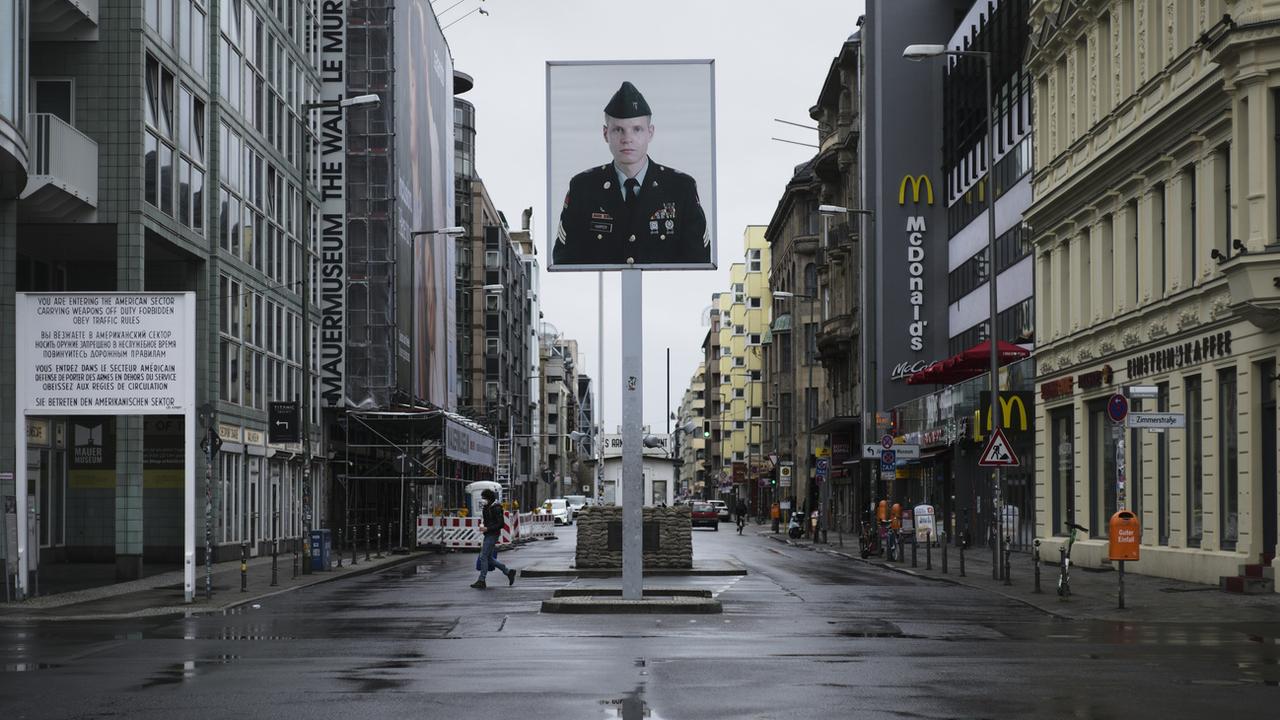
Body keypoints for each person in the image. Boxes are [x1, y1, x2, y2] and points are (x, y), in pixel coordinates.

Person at [554, 81, 710, 266]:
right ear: (605, 134)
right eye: (618, 129)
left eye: (637, 129)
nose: (627, 139)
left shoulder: (680, 188)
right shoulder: (583, 188)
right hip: (603, 293)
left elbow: (698, 261)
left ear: (650, 133)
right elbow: (565, 261)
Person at [470, 489, 516, 589]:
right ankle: (508, 572)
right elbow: (486, 520)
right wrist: (483, 526)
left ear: (489, 498)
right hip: (488, 534)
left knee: (483, 556)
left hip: (493, 534)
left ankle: (481, 580)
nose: (483, 500)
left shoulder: (497, 508)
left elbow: (501, 524)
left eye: (484, 498)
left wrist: (488, 528)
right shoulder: (487, 507)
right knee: (489, 558)